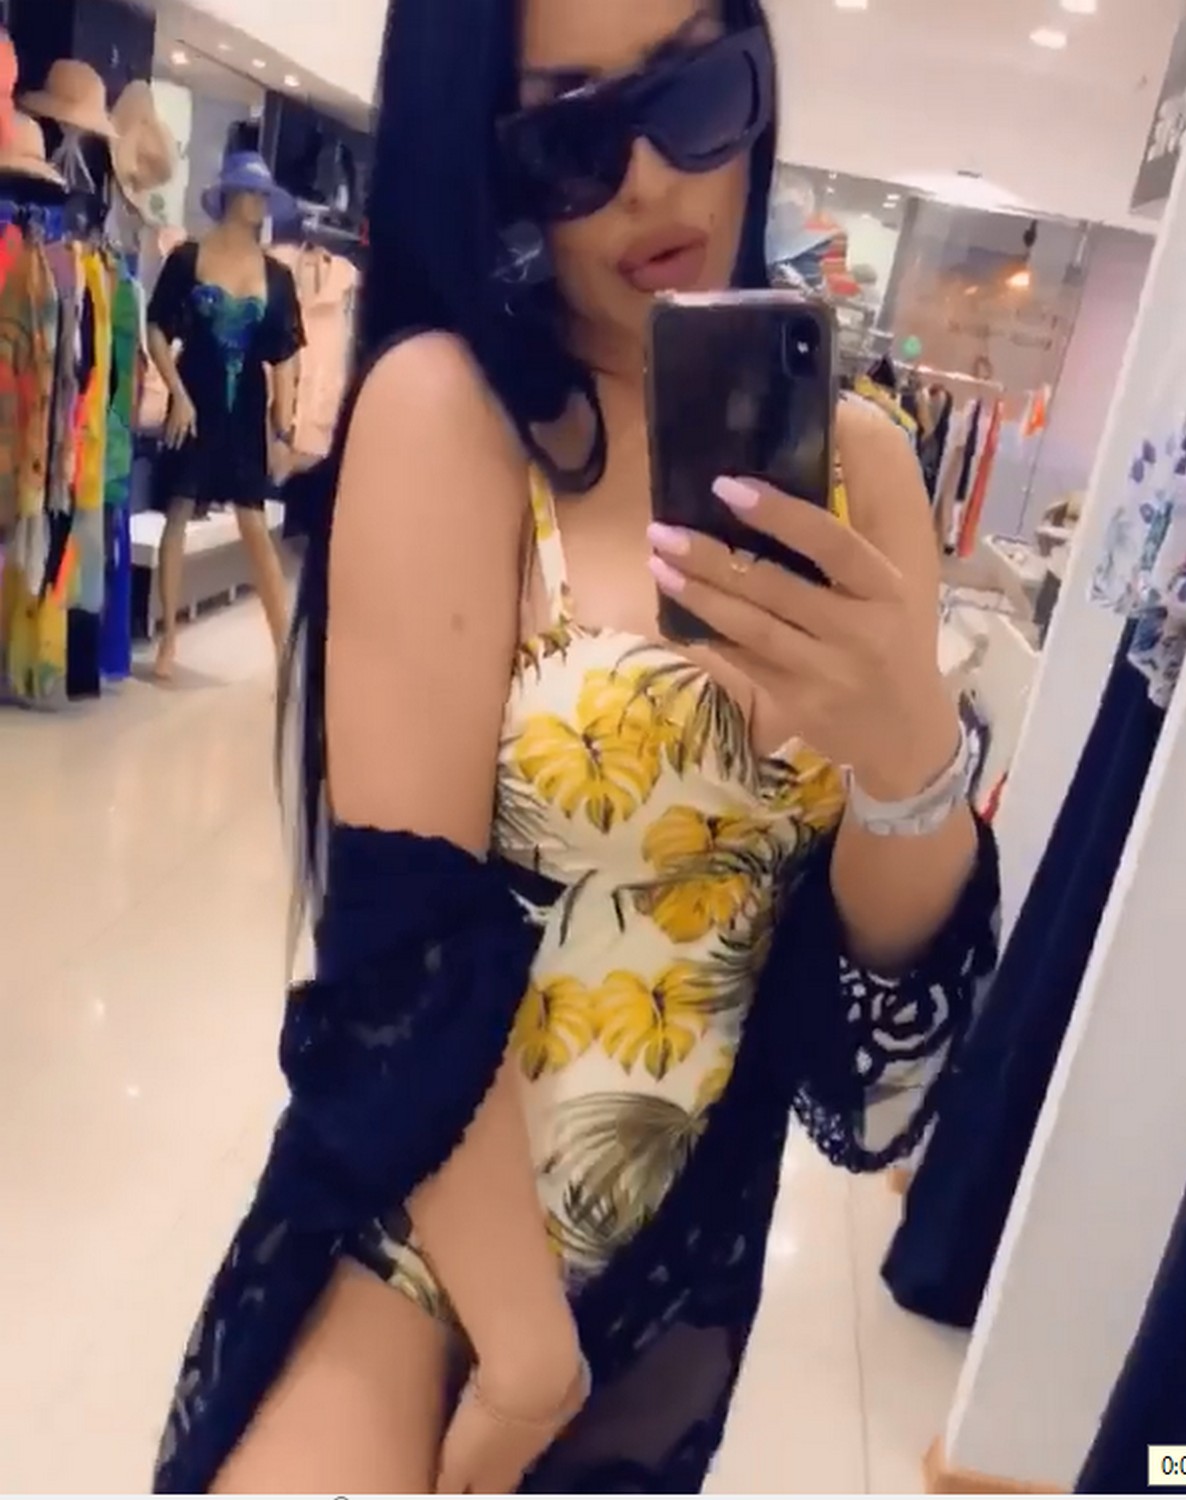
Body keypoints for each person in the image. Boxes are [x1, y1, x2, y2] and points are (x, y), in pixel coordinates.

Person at [153, 2, 1001, 1493]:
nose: (650, 180)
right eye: (568, 137)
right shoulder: (455, 417)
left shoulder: (863, 467)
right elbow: (402, 949)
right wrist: (524, 1354)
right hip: (420, 1245)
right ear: (487, 158)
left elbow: (877, 1063)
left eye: (696, 93)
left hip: (679, 1287)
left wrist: (902, 746)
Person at [146, 150, 304, 680]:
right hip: (193, 397)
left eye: (263, 195)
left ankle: (285, 648)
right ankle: (169, 639)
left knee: (253, 521)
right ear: (230, 196)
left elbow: (285, 355)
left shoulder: (277, 275)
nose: (259, 203)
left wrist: (283, 429)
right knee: (179, 510)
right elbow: (157, 327)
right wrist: (176, 391)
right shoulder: (188, 258)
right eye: (252, 193)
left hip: (245, 409)